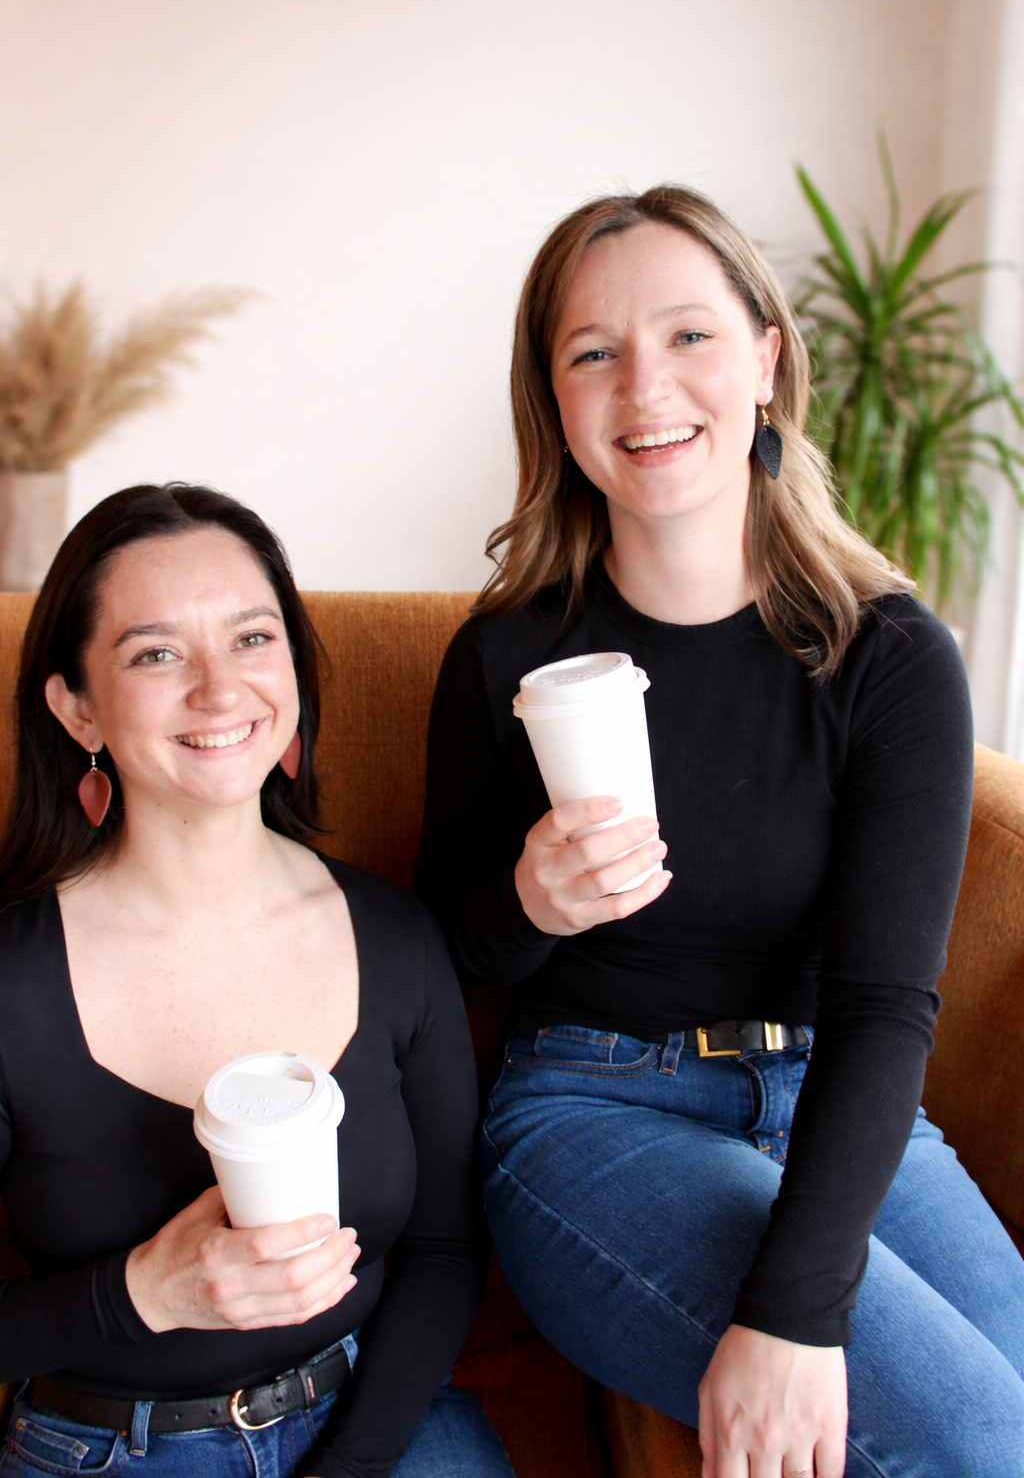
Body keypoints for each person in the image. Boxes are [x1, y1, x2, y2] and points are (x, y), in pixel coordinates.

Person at [415, 188, 1024, 1478]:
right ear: (555, 402)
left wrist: (793, 1313)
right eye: (593, 352)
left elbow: (883, 1010)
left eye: (689, 336)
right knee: (980, 1441)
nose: (645, 386)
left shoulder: (888, 657)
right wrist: (527, 902)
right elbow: (434, 953)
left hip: (832, 1099)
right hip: (589, 1111)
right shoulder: (506, 656)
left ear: (764, 357)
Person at [0, 484, 515, 1478]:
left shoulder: (394, 934)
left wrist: (352, 1463)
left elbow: (449, 1250)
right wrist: (146, 1291)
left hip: (376, 1422)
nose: (220, 688)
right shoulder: (15, 979)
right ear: (77, 707)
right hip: (113, 1445)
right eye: (155, 652)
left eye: (251, 638)